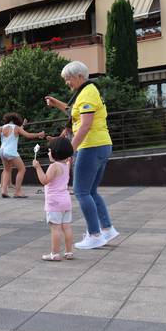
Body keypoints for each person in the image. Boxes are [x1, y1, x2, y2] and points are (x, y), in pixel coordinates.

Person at [45, 60, 119, 249]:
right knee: (91, 191)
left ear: (79, 76)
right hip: (102, 144)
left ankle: (94, 235)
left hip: (91, 146)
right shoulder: (87, 92)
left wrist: (69, 150)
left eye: (68, 79)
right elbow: (74, 112)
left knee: (81, 191)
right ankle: (107, 229)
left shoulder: (86, 93)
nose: (66, 83)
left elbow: (85, 125)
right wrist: (57, 103)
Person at [33, 137, 74, 261]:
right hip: (66, 200)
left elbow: (44, 180)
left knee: (55, 228)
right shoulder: (66, 164)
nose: (48, 153)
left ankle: (55, 254)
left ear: (55, 152)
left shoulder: (54, 166)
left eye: (50, 150)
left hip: (54, 202)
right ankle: (69, 252)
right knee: (66, 227)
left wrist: (38, 167)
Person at [0, 113, 45, 198]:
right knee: (22, 169)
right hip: (11, 152)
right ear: (16, 120)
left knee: (7, 170)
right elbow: (28, 135)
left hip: (2, 151)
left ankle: (4, 191)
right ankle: (17, 192)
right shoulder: (16, 128)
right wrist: (38, 134)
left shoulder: (2, 127)